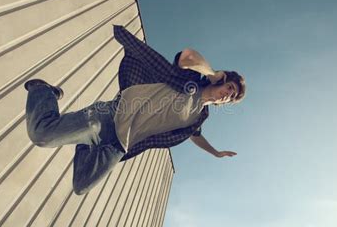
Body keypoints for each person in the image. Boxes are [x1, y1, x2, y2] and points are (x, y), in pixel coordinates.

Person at [24, 24, 246, 195]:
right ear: (222, 80)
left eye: (231, 96)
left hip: (120, 145)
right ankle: (44, 91)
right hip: (110, 116)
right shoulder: (192, 80)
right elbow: (188, 55)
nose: (228, 94)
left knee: (81, 185)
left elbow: (195, 136)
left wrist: (215, 152)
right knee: (42, 134)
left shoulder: (200, 116)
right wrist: (211, 72)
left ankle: (85, 141)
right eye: (229, 87)